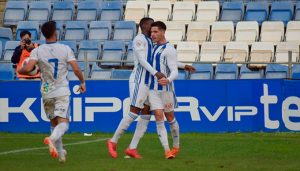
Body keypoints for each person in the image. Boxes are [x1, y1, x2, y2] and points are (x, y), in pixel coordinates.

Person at [18, 21, 86, 163]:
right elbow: (76, 69)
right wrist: (82, 82)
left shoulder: (38, 50)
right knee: (64, 123)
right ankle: (51, 139)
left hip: (46, 92)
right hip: (61, 90)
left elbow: (29, 68)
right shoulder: (65, 48)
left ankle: (61, 154)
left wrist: (20, 70)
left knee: (54, 123)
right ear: (55, 32)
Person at [107, 17, 165, 159]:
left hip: (148, 82)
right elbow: (142, 60)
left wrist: (182, 66)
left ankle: (132, 148)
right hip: (139, 80)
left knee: (146, 113)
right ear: (144, 25)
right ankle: (113, 141)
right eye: (151, 26)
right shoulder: (139, 39)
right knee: (134, 111)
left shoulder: (151, 41)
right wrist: (156, 73)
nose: (153, 29)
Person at [148, 21, 179, 159]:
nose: (152, 34)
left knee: (170, 117)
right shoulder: (153, 47)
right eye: (151, 32)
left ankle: (176, 146)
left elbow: (174, 70)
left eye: (155, 32)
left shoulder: (169, 49)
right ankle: (167, 151)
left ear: (162, 32)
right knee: (159, 116)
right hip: (152, 89)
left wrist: (168, 79)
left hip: (166, 90)